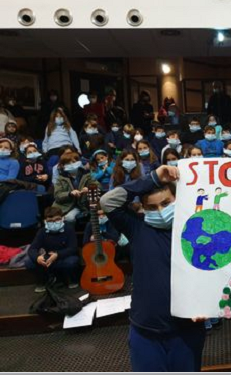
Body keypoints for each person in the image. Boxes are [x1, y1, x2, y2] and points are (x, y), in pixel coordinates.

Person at [100, 166, 206, 371]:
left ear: (178, 200)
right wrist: (153, 178)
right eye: (151, 207)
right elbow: (107, 201)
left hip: (186, 331)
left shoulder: (193, 229)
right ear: (143, 209)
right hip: (145, 331)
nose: (160, 211)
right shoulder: (137, 227)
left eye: (166, 203)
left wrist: (208, 305)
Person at [26, 206, 79, 292]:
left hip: (63, 258)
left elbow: (73, 248)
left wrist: (58, 254)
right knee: (29, 262)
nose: (54, 222)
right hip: (48, 260)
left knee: (72, 261)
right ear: (45, 221)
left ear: (62, 218)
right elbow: (32, 249)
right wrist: (37, 257)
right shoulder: (42, 232)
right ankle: (42, 282)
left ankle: (70, 280)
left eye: (57, 219)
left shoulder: (69, 229)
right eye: (50, 221)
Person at [53, 152, 98, 224]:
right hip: (67, 205)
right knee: (69, 218)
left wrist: (89, 189)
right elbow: (57, 195)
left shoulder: (87, 175)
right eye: (68, 163)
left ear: (79, 162)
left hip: (83, 204)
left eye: (73, 162)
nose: (71, 165)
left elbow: (98, 186)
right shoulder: (60, 178)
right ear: (63, 166)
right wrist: (69, 194)